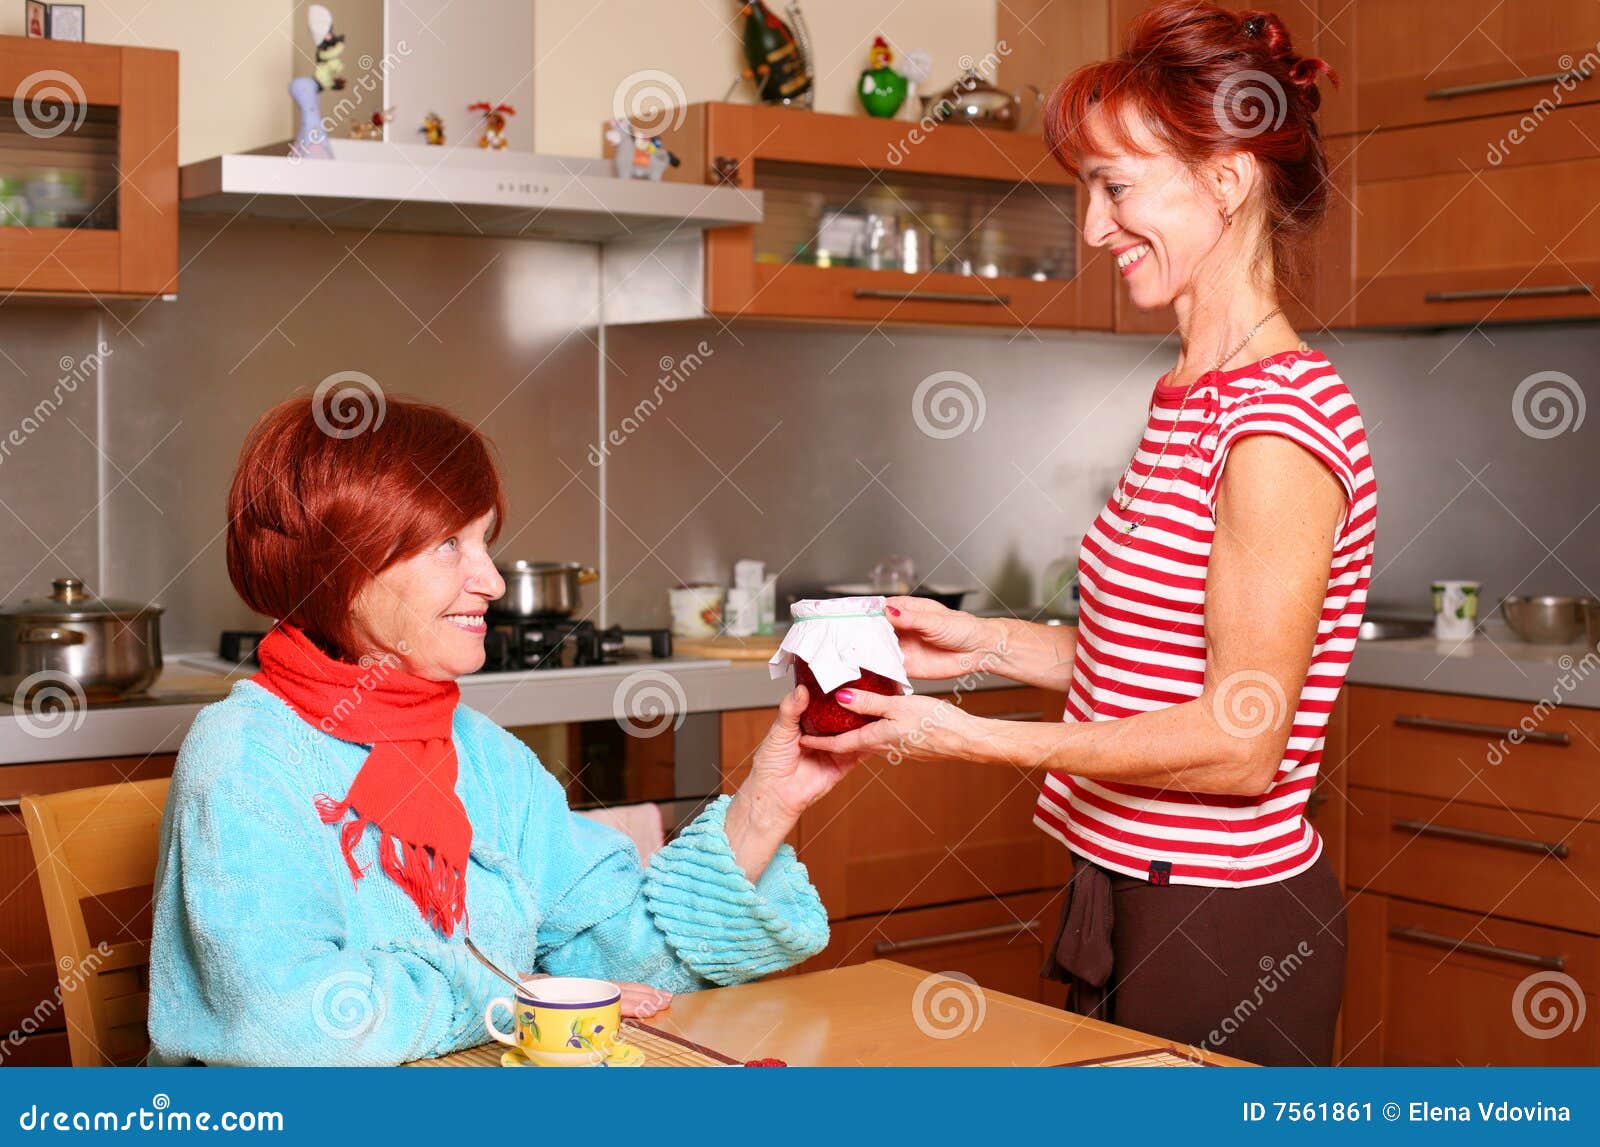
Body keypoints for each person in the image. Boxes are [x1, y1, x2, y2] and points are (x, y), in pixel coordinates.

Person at [800, 1, 1375, 1066]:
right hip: (1123, 888)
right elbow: (1155, 665)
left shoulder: (1275, 427)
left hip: (1218, 920)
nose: (1094, 224)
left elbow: (1241, 740)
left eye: (1114, 187)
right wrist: (983, 644)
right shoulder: (1190, 394)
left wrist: (968, 736)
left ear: (1226, 178)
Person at [147, 390, 854, 1065]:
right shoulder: (243, 756)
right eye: (449, 544)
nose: (492, 580)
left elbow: (620, 960)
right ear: (341, 562)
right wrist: (505, 992)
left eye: (484, 541)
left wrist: (766, 807)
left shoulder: (479, 751)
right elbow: (286, 1018)